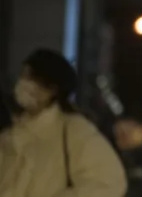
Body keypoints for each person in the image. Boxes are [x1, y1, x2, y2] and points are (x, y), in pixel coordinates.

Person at [0, 49, 127, 197]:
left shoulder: (74, 131)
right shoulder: (9, 133)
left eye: (33, 79)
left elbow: (107, 183)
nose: (24, 84)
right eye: (24, 75)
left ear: (53, 90)